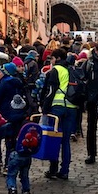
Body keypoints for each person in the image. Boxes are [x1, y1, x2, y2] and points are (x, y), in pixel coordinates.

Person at [40, 48, 77, 180]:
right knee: (65, 141)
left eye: (52, 59)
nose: (51, 62)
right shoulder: (72, 69)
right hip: (72, 107)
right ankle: (65, 170)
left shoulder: (56, 70)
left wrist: (45, 108)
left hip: (57, 107)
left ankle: (53, 169)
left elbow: (50, 91)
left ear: (57, 58)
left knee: (54, 138)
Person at [6, 121, 42, 194]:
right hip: (27, 156)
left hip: (15, 154)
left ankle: (13, 191)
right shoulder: (29, 128)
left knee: (11, 175)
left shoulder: (13, 125)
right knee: (25, 176)